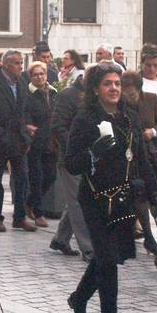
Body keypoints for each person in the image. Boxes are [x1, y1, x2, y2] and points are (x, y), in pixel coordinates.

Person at [65, 63, 157, 313]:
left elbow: (142, 158)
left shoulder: (130, 118)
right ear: (96, 89)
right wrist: (91, 155)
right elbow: (71, 163)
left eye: (117, 83)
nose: (114, 88)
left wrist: (153, 190)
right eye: (107, 83)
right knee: (108, 260)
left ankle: (78, 298)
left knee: (109, 256)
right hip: (96, 198)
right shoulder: (85, 119)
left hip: (123, 198)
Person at [0, 50, 33, 233]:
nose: (20, 67)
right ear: (7, 65)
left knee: (22, 179)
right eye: (17, 63)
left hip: (19, 140)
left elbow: (25, 110)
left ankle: (19, 217)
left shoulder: (23, 83)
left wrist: (26, 131)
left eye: (21, 63)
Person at [120, 70, 157, 253]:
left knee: (149, 193)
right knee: (139, 195)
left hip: (150, 153)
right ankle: (147, 235)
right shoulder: (120, 107)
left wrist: (153, 132)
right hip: (129, 156)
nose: (128, 96)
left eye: (132, 93)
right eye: (126, 92)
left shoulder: (152, 99)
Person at [48, 75, 93, 261]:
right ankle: (88, 247)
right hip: (70, 158)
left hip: (89, 158)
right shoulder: (68, 95)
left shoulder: (94, 96)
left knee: (76, 199)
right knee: (78, 201)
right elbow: (58, 126)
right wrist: (76, 145)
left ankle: (61, 238)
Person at [24, 61, 56, 228]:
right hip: (34, 142)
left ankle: (28, 202)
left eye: (42, 74)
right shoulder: (28, 95)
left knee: (51, 176)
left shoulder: (53, 92)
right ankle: (38, 213)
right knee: (36, 178)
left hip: (51, 142)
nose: (39, 77)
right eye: (36, 74)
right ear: (31, 77)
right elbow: (24, 116)